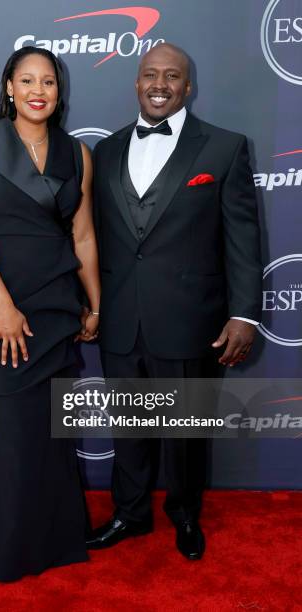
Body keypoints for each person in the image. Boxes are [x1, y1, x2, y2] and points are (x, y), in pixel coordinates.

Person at [87, 42, 262, 560]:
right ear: (136, 83)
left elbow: (243, 238)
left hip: (192, 319)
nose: (159, 84)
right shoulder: (107, 150)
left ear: (188, 86)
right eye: (149, 75)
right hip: (121, 317)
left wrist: (244, 313)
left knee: (186, 433)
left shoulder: (224, 147)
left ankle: (185, 515)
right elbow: (92, 235)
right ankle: (130, 513)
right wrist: (88, 303)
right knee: (130, 430)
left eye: (171, 76)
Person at [0, 47, 100, 581]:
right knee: (19, 430)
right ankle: (8, 553)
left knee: (54, 432)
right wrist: (3, 307)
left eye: (49, 82)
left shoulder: (77, 154)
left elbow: (82, 235)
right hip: (4, 311)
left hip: (59, 306)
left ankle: (58, 542)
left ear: (59, 93)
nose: (39, 90)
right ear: (10, 88)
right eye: (27, 80)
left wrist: (95, 302)